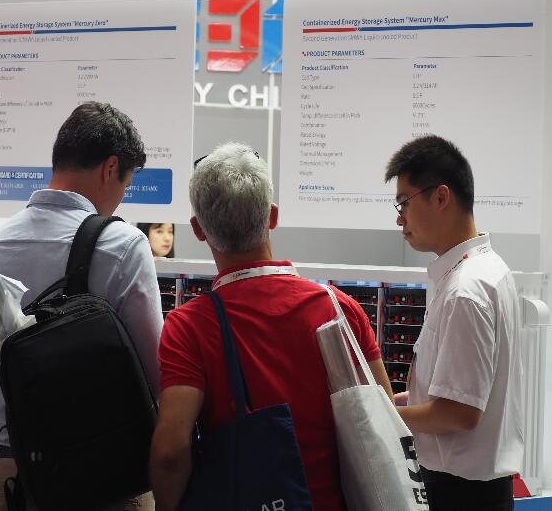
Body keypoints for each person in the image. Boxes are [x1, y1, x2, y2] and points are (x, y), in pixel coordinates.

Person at [150, 142, 393, 511]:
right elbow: (384, 418)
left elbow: (170, 453)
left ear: (198, 229)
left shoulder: (188, 326)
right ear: (273, 216)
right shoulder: (340, 309)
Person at [0, 101, 163, 511]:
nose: (120, 198)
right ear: (110, 168)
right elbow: (156, 377)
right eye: (125, 184)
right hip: (107, 480)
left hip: (14, 478)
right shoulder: (123, 246)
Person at [384, 135, 523, 511]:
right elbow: (463, 393)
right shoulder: (488, 269)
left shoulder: (466, 290)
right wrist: (406, 400)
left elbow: (460, 413)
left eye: (404, 202)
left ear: (441, 197)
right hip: (477, 492)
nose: (399, 218)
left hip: (459, 494)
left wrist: (384, 417)